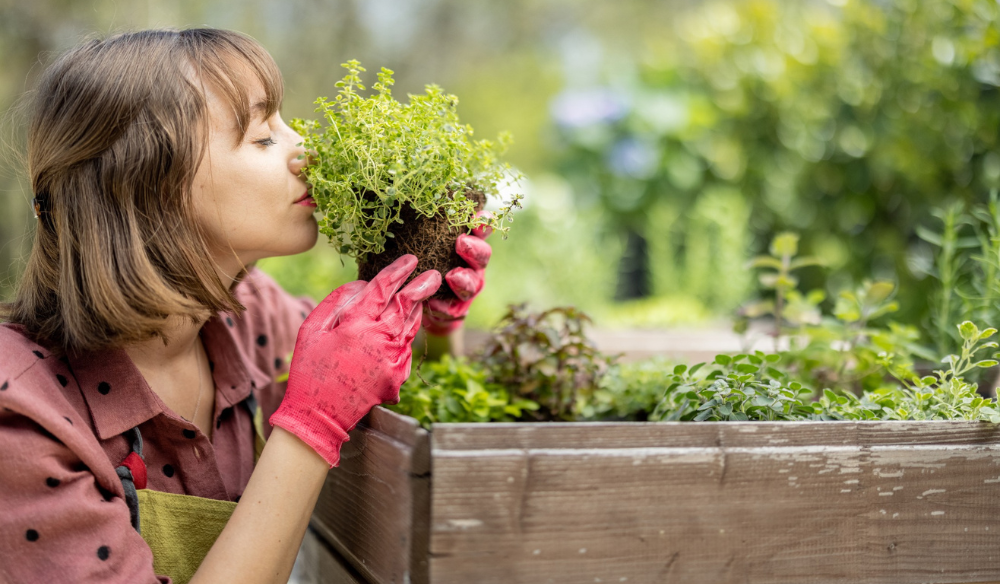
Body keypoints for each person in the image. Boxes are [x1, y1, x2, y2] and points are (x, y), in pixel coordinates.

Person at [0, 28, 491, 584]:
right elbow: (326, 404)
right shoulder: (21, 416)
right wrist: (313, 424)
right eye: (262, 138)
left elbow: (381, 385)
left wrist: (430, 323)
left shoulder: (251, 317)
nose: (307, 152)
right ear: (147, 186)